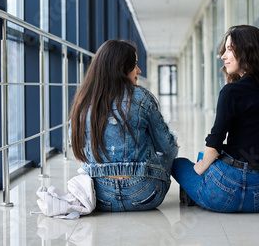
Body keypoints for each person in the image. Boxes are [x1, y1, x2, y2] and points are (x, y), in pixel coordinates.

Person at [172, 25, 259, 213]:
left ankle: (197, 194)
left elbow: (215, 142)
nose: (223, 55)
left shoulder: (231, 92)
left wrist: (201, 168)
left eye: (229, 49)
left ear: (249, 51)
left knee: (180, 163)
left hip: (224, 193)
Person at [70, 39, 178, 212]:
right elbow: (166, 147)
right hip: (146, 195)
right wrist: (173, 142)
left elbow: (75, 142)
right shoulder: (142, 97)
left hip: (100, 197)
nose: (139, 71)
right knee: (170, 147)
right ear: (121, 68)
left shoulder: (84, 100)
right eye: (135, 65)